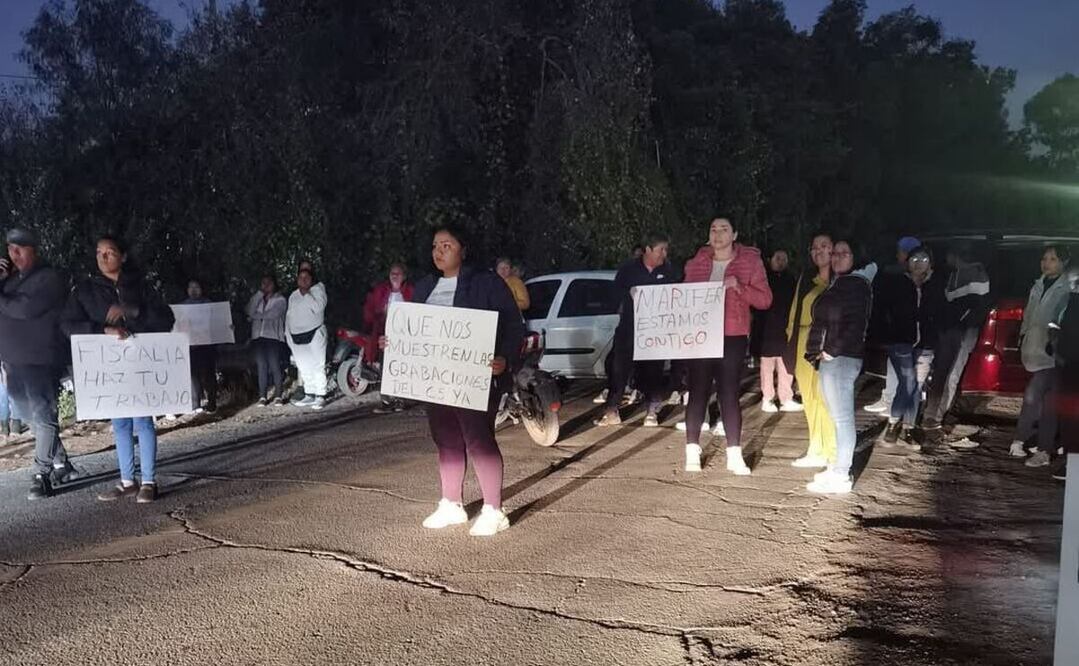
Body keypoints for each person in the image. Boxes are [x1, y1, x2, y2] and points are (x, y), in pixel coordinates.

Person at [397, 224, 524, 536]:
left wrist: (505, 359)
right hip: (437, 379)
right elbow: (412, 329)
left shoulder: (485, 283)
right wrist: (395, 342)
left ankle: (494, 509)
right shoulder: (425, 286)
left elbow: (512, 324)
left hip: (476, 377)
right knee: (446, 439)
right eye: (435, 246)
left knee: (478, 438)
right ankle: (451, 503)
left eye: (446, 245)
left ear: (463, 249)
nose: (439, 251)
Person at [62, 234, 175, 503]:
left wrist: (132, 311)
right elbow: (67, 325)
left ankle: (148, 480)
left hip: (140, 364)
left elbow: (166, 318)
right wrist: (102, 330)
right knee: (120, 423)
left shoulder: (141, 286)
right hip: (109, 369)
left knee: (143, 421)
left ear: (122, 256)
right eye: (99, 252)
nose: (103, 257)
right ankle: (127, 481)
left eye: (110, 252)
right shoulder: (86, 290)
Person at [681, 218, 772, 474]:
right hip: (700, 336)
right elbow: (681, 298)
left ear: (735, 234)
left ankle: (734, 453)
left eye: (724, 229)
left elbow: (765, 300)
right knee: (697, 393)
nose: (718, 234)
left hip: (732, 336)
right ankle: (691, 451)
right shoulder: (696, 263)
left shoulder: (750, 261)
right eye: (713, 229)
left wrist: (740, 288)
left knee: (729, 393)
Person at [0, 228, 78, 500]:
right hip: (13, 362)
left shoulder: (49, 278)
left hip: (40, 360)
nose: (14, 254)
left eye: (20, 248)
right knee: (31, 417)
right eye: (10, 249)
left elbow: (25, 309)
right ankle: (62, 464)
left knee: (43, 416)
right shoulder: (9, 282)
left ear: (34, 249)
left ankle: (40, 474)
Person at [804, 240, 874, 494]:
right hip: (832, 358)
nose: (837, 257)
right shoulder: (841, 283)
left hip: (841, 357)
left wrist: (830, 351)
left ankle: (842, 474)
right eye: (835, 253)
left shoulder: (856, 284)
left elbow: (855, 323)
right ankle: (836, 467)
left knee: (843, 418)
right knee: (836, 417)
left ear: (856, 257)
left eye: (845, 253)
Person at [595, 232, 676, 427]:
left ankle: (652, 411)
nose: (664, 254)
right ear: (648, 249)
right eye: (660, 249)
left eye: (666, 249)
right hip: (629, 329)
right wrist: (627, 294)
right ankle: (612, 410)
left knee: (653, 372)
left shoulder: (670, 270)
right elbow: (614, 294)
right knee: (619, 370)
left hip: (655, 332)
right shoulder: (628, 270)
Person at [875, 246, 945, 449]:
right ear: (908, 262)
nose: (918, 262)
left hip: (926, 344)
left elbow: (941, 311)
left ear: (930, 263)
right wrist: (887, 331)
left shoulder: (935, 285)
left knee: (916, 386)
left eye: (923, 259)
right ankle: (893, 422)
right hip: (901, 341)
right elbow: (882, 309)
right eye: (914, 258)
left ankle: (908, 428)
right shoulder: (896, 283)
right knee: (908, 383)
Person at [920, 243, 991, 442]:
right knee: (945, 373)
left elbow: (974, 306)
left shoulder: (975, 273)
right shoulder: (957, 273)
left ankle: (935, 418)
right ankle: (934, 415)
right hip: (952, 330)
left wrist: (957, 323)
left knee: (950, 373)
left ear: (956, 255)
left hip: (961, 331)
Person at [1009, 246, 1071, 466]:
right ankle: (1043, 445)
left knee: (1035, 395)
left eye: (1053, 259)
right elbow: (1028, 315)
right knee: (1046, 401)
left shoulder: (1067, 287)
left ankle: (1028, 443)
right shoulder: (1038, 285)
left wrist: (1057, 344)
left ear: (1063, 262)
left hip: (1055, 352)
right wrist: (1022, 338)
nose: (1046, 263)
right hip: (1035, 349)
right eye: (1044, 258)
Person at [786, 233, 837, 469]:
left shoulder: (843, 280)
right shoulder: (807, 278)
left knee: (827, 398)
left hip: (829, 346)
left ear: (834, 250)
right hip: (803, 344)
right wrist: (790, 341)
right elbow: (795, 312)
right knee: (809, 398)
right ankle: (816, 447)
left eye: (824, 246)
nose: (818, 251)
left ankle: (833, 451)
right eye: (814, 247)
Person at [865, 236, 922, 414]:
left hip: (904, 335)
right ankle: (892, 405)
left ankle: (895, 407)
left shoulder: (908, 275)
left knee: (907, 377)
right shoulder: (897, 275)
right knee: (906, 375)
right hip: (902, 335)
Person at [363, 263, 413, 413]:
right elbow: (371, 310)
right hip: (386, 334)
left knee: (402, 367)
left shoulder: (411, 291)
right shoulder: (382, 291)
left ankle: (400, 400)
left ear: (404, 276)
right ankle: (386, 400)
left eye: (398, 273)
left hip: (405, 335)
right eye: (392, 273)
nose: (395, 275)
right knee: (387, 366)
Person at [757, 248, 800, 413]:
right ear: (771, 259)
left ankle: (786, 398)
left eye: (784, 258)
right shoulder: (763, 279)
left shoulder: (791, 279)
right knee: (767, 367)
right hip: (766, 329)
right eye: (778, 258)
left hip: (785, 329)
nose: (781, 261)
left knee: (786, 365)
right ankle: (767, 398)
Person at [286, 267, 329, 410]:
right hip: (297, 336)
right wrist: (288, 336)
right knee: (304, 367)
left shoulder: (318, 290)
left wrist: (307, 293)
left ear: (312, 279)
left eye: (306, 278)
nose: (303, 280)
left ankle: (320, 395)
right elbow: (289, 316)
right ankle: (309, 394)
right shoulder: (293, 295)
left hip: (315, 333)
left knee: (318, 365)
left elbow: (318, 307)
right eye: (300, 278)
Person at [1051, 269, 1079, 481]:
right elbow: (1058, 328)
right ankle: (1072, 461)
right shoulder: (1069, 301)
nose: (1073, 284)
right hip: (1069, 365)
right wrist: (1055, 346)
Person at [246, 274, 289, 406]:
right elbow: (249, 310)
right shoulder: (258, 298)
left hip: (273, 336)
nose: (266, 285)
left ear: (274, 284)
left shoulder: (280, 299)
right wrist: (259, 295)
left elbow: (273, 314)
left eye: (269, 283)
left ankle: (278, 395)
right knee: (261, 366)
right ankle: (262, 396)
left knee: (275, 365)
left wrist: (255, 316)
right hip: (258, 337)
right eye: (263, 283)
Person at [179, 278, 219, 413]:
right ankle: (195, 403)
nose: (194, 290)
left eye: (196, 287)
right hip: (191, 344)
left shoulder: (208, 304)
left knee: (209, 374)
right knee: (193, 374)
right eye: (191, 287)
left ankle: (212, 403)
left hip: (207, 343)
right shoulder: (183, 306)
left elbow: (216, 323)